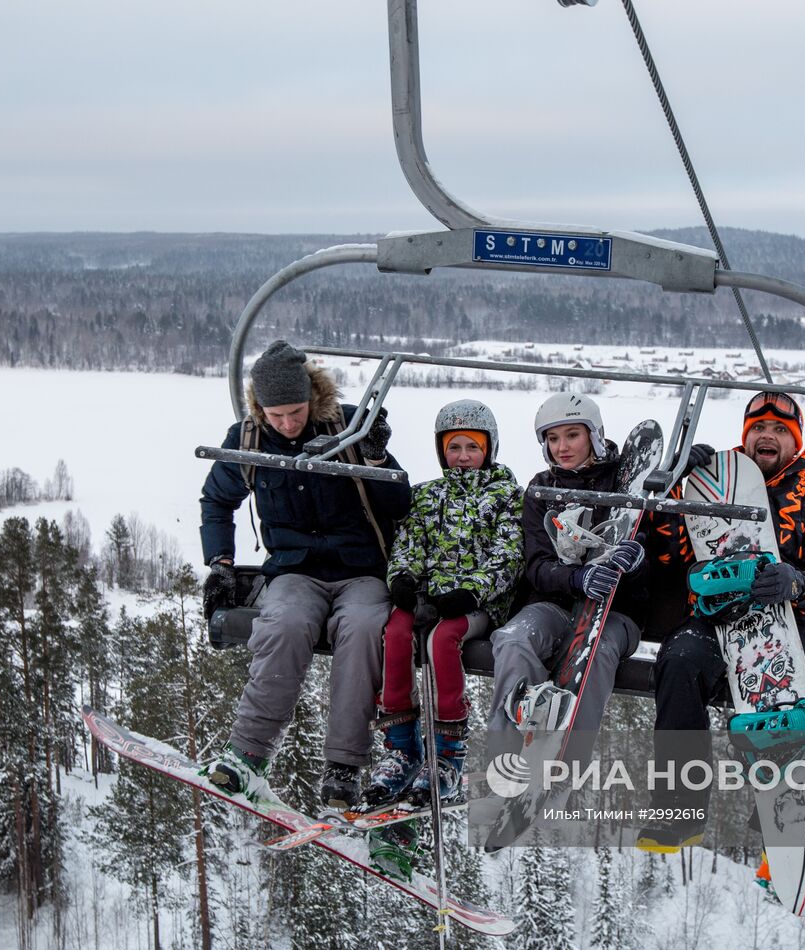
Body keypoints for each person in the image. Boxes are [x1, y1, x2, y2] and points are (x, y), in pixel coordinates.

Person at [198, 340, 411, 808]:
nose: (288, 424)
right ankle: (248, 754)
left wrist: (377, 459)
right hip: (295, 570)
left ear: (311, 398)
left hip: (361, 570)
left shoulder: (350, 429)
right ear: (260, 408)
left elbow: (400, 504)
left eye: (295, 411)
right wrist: (221, 565)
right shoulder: (248, 441)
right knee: (285, 626)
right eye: (277, 415)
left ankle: (343, 764)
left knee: (361, 630)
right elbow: (216, 501)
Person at [641, 390, 805, 852]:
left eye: (778, 430)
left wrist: (794, 583)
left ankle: (792, 797)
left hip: (792, 621)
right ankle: (679, 804)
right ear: (746, 437)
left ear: (795, 444)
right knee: (679, 660)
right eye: (758, 429)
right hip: (720, 619)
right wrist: (678, 484)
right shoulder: (715, 488)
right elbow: (669, 550)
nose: (766, 436)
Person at [364, 399, 524, 809]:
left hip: (477, 602)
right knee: (396, 632)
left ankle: (448, 754)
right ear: (441, 451)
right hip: (431, 596)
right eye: (454, 448)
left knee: (441, 641)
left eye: (473, 447)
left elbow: (508, 553)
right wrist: (402, 577)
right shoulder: (428, 495)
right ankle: (402, 748)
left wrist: (473, 591)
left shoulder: (505, 495)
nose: (463, 457)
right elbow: (410, 543)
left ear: (489, 449)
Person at [485, 393, 657, 757]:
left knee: (596, 653)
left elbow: (660, 554)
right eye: (552, 438)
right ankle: (506, 753)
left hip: (615, 613)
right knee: (513, 639)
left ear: (593, 436)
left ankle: (567, 760)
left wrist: (638, 562)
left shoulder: (627, 484)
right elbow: (536, 565)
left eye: (572, 435)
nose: (561, 447)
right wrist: (576, 579)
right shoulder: (542, 488)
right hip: (556, 604)